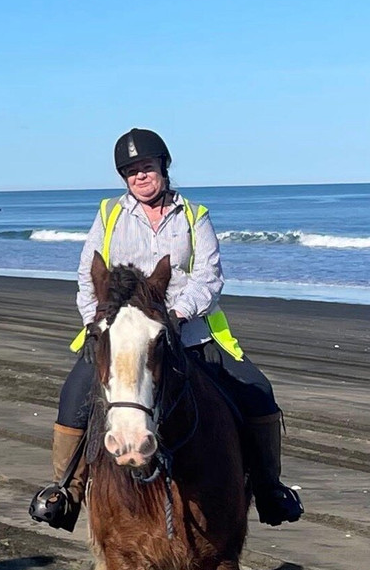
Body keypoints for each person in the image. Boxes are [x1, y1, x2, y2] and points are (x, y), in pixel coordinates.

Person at [28, 128, 303, 531]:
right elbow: (89, 277)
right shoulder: (109, 214)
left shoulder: (194, 215)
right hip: (121, 337)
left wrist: (175, 316)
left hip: (188, 333)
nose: (140, 176)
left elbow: (208, 276)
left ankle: (268, 488)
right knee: (74, 396)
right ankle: (65, 492)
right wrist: (97, 323)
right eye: (131, 171)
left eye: (146, 167)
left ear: (163, 167)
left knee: (257, 391)